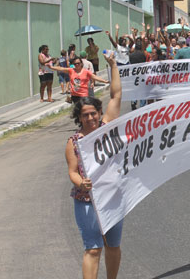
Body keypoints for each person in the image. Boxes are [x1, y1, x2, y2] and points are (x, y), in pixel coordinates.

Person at [65, 52, 123, 279]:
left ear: (100, 113)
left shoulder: (107, 128)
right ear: (80, 118)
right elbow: (72, 172)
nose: (90, 118)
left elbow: (116, 95)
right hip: (87, 202)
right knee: (93, 248)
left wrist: (113, 66)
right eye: (85, 115)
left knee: (113, 246)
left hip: (112, 198)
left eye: (94, 114)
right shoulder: (73, 142)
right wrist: (82, 182)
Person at [129, 40, 147, 110]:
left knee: (134, 88)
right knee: (142, 88)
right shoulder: (143, 54)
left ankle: (133, 101)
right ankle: (142, 105)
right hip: (142, 73)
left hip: (134, 73)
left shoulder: (131, 55)